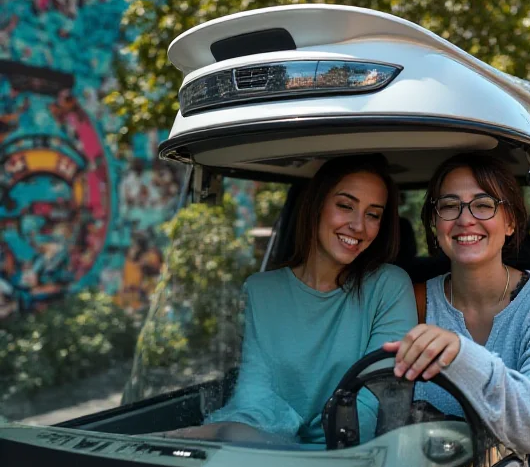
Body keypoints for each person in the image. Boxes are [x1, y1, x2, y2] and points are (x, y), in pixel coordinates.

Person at [165, 154, 417, 444]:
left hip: (346, 463)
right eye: (345, 206)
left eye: (373, 214)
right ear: (316, 205)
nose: (358, 226)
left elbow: (372, 407)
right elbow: (253, 399)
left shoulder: (389, 287)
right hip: (268, 458)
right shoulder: (261, 291)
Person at [384, 153, 530, 455]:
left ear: (511, 222)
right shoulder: (410, 301)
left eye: (483, 205)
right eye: (450, 206)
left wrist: (460, 355)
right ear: (435, 222)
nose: (465, 219)